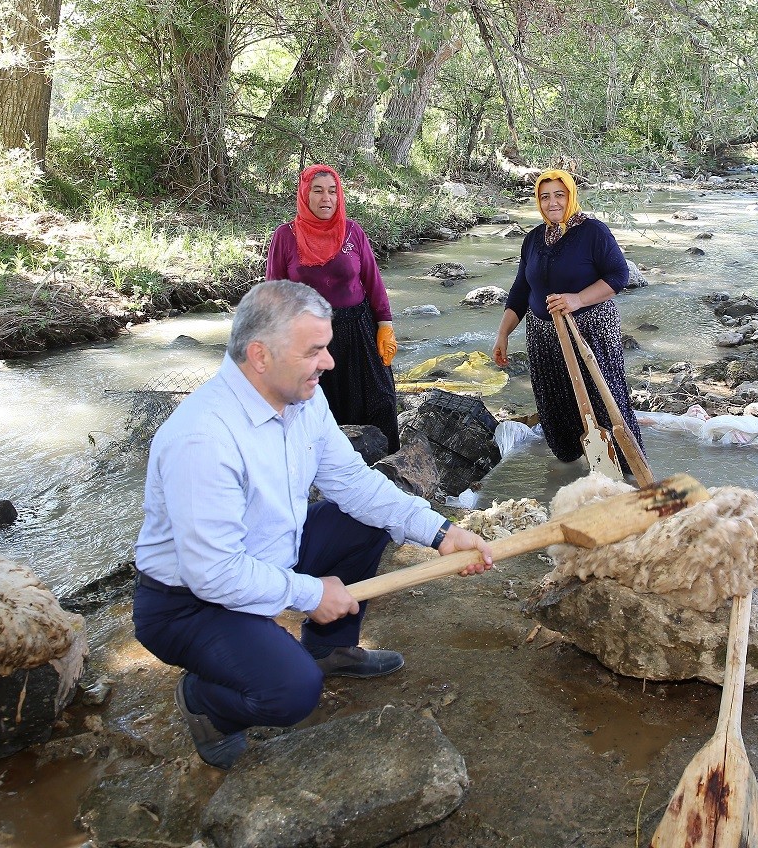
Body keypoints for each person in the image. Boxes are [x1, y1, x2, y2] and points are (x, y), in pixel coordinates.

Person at [133, 280, 494, 769]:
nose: (329, 362)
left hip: (270, 553)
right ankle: (205, 703)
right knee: (293, 692)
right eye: (315, 351)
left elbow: (355, 484)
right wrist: (310, 594)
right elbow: (213, 573)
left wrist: (440, 533)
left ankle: (330, 649)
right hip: (190, 603)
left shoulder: (304, 399)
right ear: (260, 356)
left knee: (369, 520)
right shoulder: (202, 439)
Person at [492, 169, 644, 467]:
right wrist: (503, 334)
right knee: (555, 405)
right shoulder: (534, 239)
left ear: (571, 196)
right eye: (544, 196)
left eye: (559, 195)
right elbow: (522, 288)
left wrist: (577, 299)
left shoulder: (593, 232)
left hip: (590, 329)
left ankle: (625, 470)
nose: (552, 203)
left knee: (604, 400)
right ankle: (571, 469)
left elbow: (618, 275)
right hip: (543, 336)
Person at [267, 164, 401, 452]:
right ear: (305, 194)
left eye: (332, 191)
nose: (326, 198)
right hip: (308, 338)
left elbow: (373, 281)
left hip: (358, 330)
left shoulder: (352, 232)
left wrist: (385, 324)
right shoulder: (285, 236)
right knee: (319, 409)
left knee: (381, 400)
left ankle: (387, 473)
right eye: (318, 191)